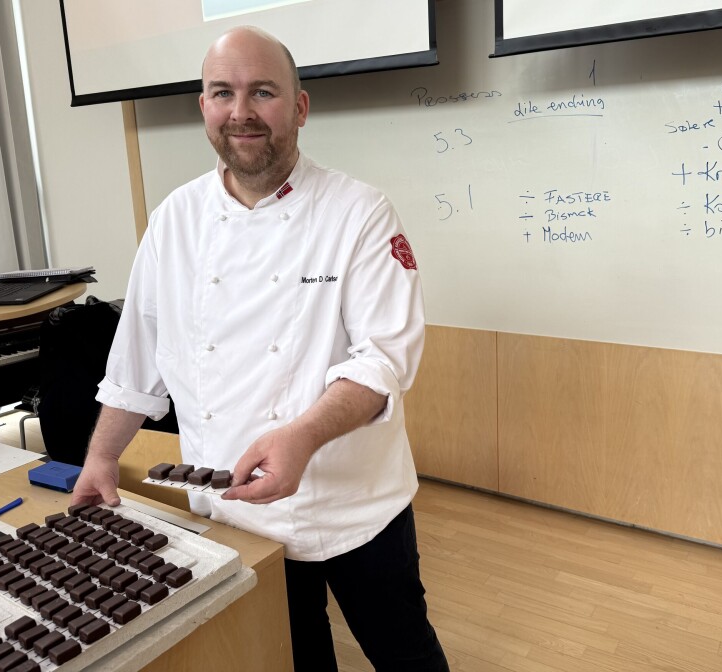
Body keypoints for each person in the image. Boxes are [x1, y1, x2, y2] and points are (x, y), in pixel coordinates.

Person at [70, 25, 449, 671]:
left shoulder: (358, 212)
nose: (241, 112)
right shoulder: (174, 221)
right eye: (223, 93)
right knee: (292, 656)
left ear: (298, 108)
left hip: (352, 505)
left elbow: (384, 359)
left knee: (404, 652)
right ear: (204, 107)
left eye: (263, 92)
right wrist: (102, 459)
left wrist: (301, 437)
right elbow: (135, 362)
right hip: (231, 509)